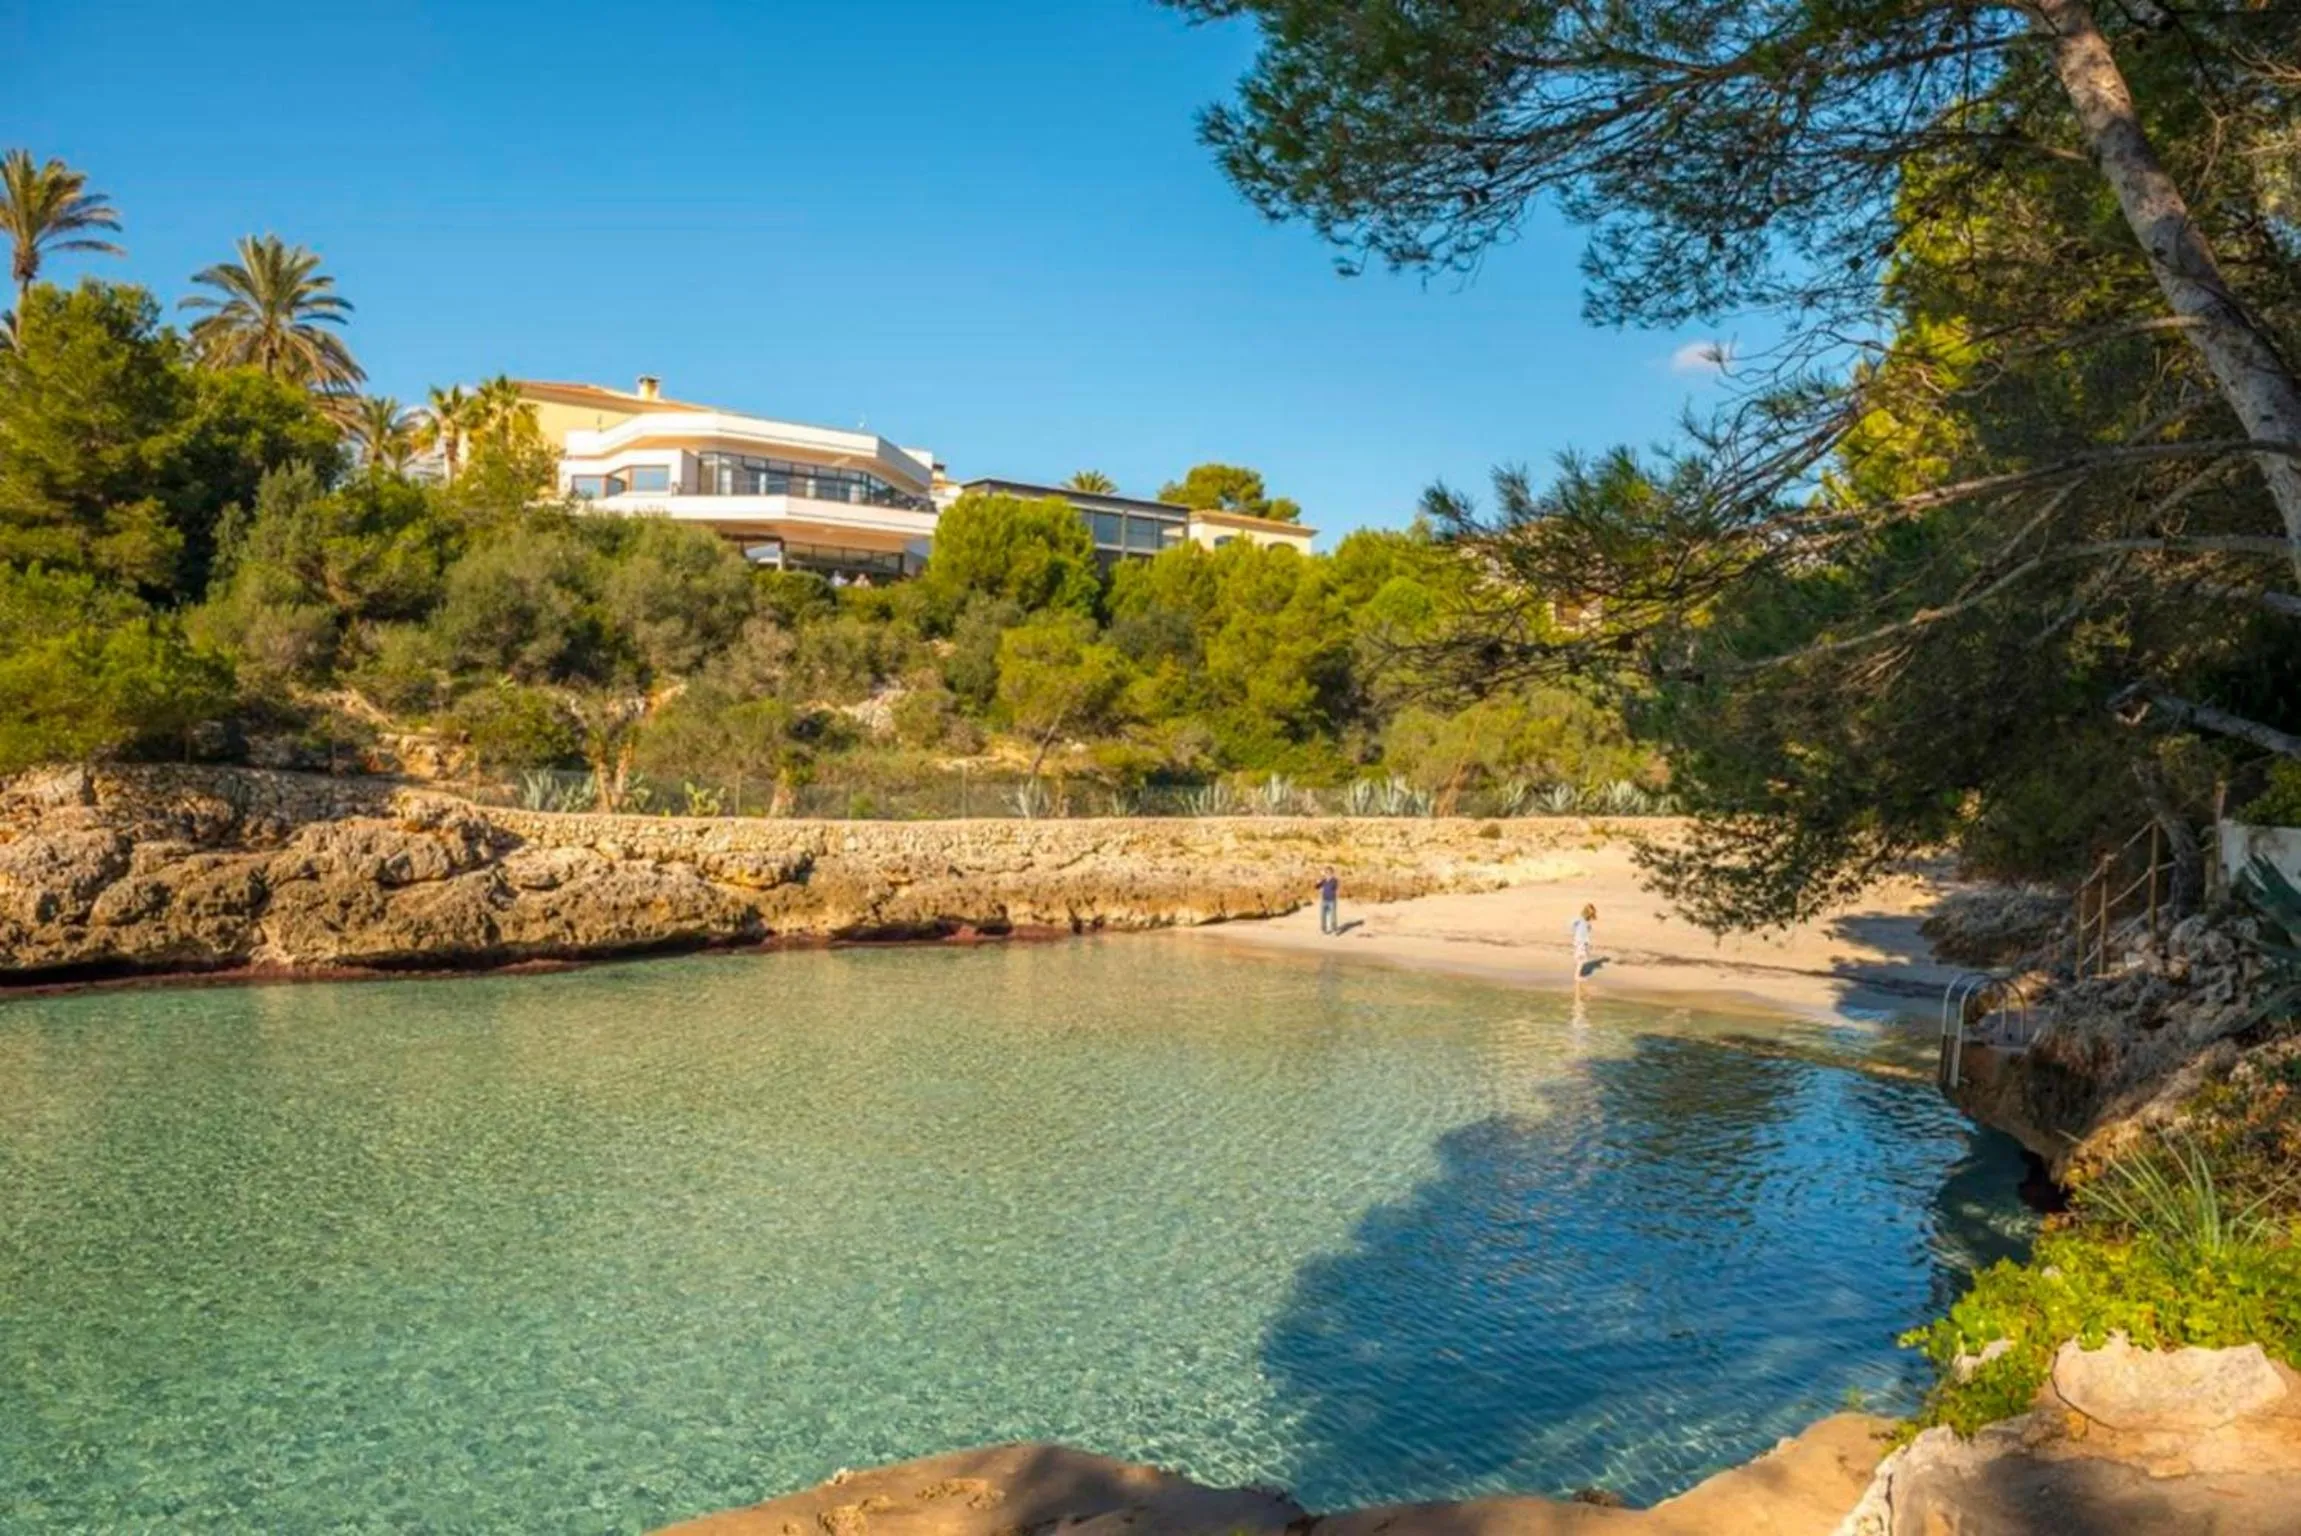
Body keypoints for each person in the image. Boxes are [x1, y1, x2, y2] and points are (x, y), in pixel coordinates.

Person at [1570, 902, 1597, 977]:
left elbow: (1572, 927)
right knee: (1582, 961)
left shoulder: (1581, 920)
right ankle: (1579, 981)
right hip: (1581, 943)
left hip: (1580, 942)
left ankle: (1579, 980)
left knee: (1581, 960)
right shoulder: (1582, 920)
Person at [1317, 868, 1340, 935]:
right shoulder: (1324, 880)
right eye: (1326, 872)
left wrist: (1327, 879)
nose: (1328, 874)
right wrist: (1318, 883)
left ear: (1332, 873)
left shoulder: (1334, 880)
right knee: (1323, 915)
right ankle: (1324, 929)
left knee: (1333, 915)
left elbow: (1333, 887)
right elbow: (1316, 887)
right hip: (1324, 900)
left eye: (1329, 872)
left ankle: (1334, 929)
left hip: (1332, 900)